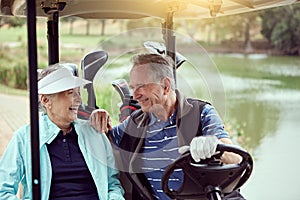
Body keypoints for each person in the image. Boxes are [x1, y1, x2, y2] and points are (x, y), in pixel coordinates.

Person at [90, 53, 244, 200]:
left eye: (141, 86)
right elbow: (104, 138)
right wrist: (101, 117)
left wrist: (214, 147)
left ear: (165, 86)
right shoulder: (135, 123)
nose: (135, 95)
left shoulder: (201, 113)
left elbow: (235, 158)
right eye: (132, 88)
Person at [0, 64, 124, 200]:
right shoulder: (24, 138)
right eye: (70, 93)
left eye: (78, 93)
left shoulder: (94, 132)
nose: (78, 100)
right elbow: (3, 191)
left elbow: (113, 184)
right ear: (46, 100)